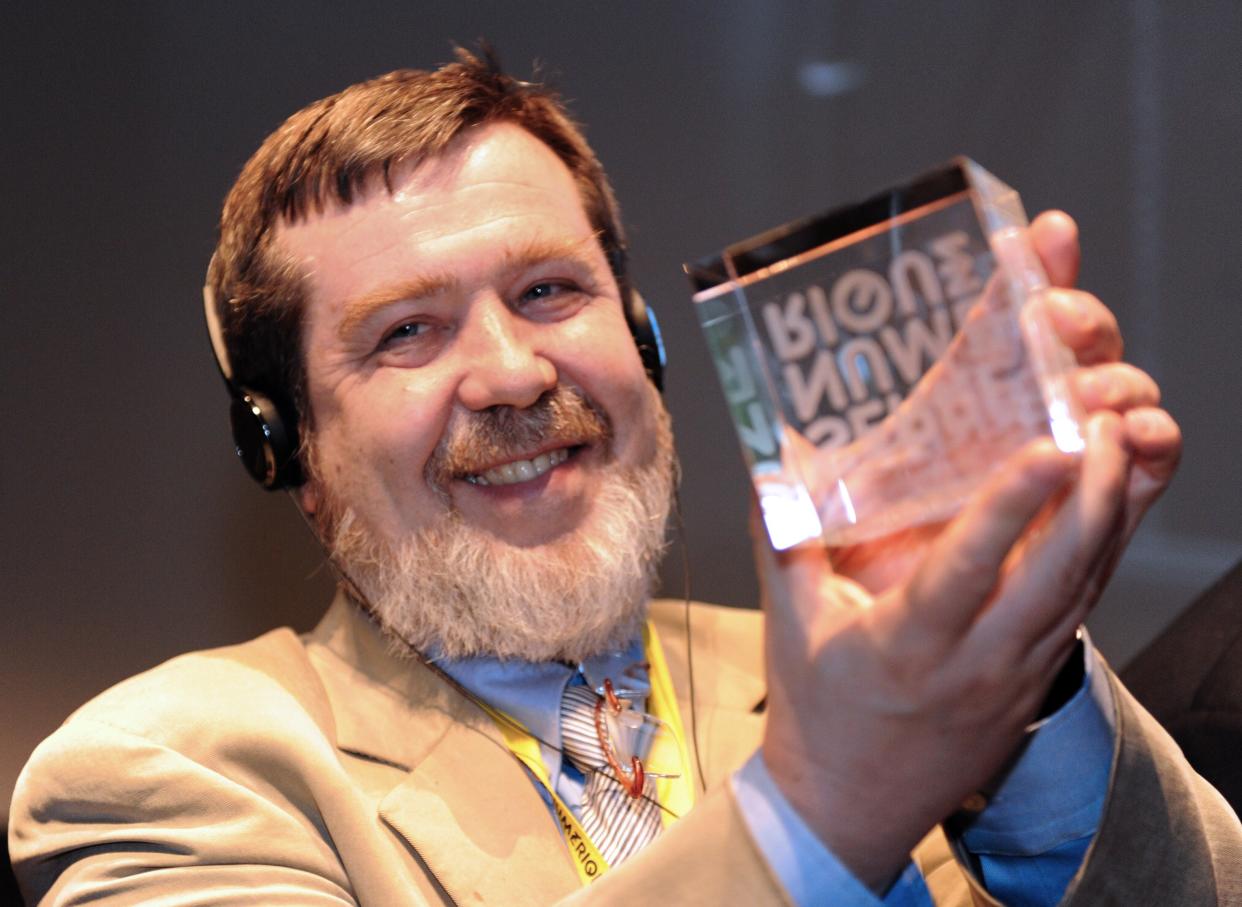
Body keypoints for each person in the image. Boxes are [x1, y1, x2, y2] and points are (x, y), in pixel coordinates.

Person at [9, 49, 1241, 906]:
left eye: (549, 291)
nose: (508, 370)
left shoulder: (866, 666)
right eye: (405, 332)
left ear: (647, 343)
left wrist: (1023, 680)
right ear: (289, 452)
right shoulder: (165, 769)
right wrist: (823, 808)